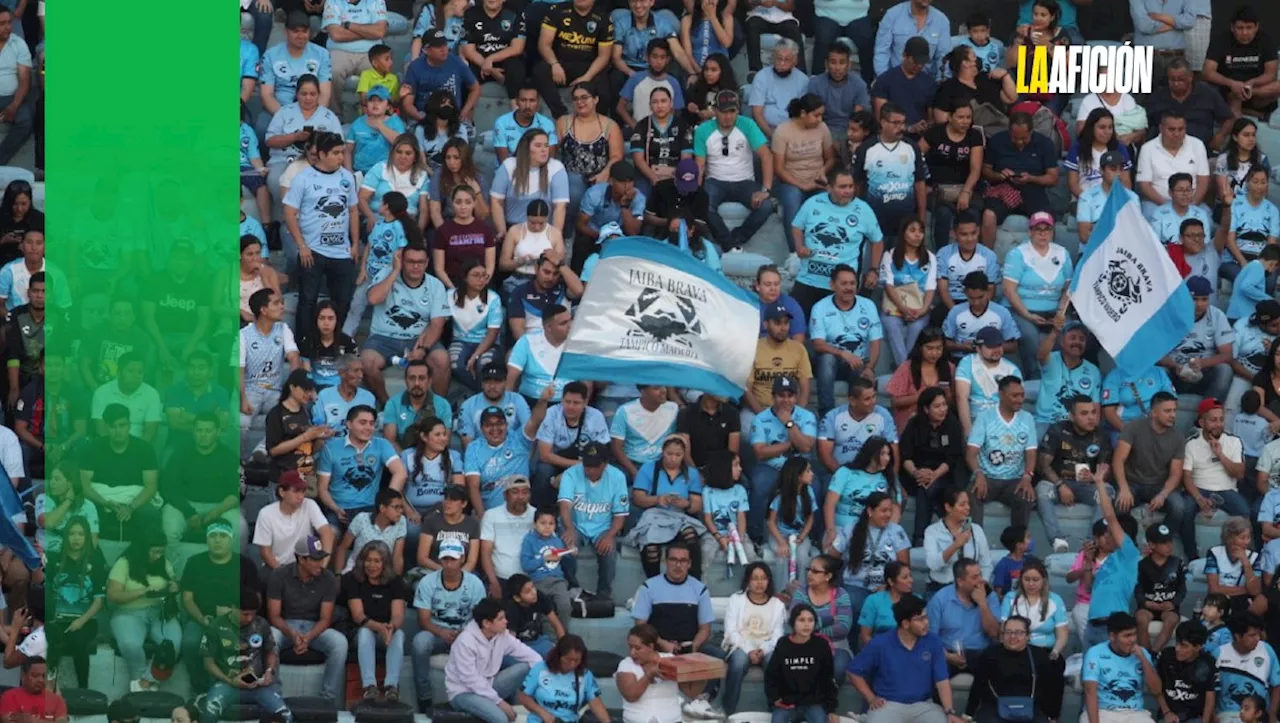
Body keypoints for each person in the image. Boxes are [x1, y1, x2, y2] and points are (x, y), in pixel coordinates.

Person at [282, 132, 359, 344]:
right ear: (322, 154)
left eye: (342, 152)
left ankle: (333, 344)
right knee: (307, 300)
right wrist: (301, 246)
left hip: (341, 250)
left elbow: (353, 211)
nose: (340, 157)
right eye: (335, 153)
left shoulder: (346, 177)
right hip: (312, 251)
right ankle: (304, 344)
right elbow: (289, 212)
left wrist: (354, 243)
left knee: (342, 300)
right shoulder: (303, 178)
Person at [848, 594, 967, 723]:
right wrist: (871, 698)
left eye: (926, 617)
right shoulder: (880, 643)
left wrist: (949, 711)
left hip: (924, 705)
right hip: (888, 705)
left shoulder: (933, 641)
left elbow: (942, 681)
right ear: (905, 623)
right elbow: (853, 672)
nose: (926, 622)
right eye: (920, 619)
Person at [180, 520, 260, 693]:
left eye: (222, 536)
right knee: (191, 642)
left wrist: (233, 613)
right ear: (206, 540)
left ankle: (240, 687)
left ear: (231, 540)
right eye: (212, 536)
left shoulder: (245, 564)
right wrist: (202, 619)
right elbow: (187, 599)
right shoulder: (194, 563)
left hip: (237, 621)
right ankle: (199, 689)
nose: (217, 540)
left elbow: (256, 600)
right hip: (203, 619)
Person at [266, 535, 347, 702]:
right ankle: (274, 694)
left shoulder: (328, 578)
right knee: (271, 637)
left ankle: (328, 699)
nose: (321, 564)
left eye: (321, 558)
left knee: (340, 643)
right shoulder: (280, 575)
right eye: (315, 559)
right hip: (285, 625)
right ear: (301, 559)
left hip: (315, 627)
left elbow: (325, 619)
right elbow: (274, 616)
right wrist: (292, 634)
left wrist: (307, 638)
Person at [411, 537, 488, 711]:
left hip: (467, 634)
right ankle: (424, 697)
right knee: (420, 641)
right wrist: (441, 632)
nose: (449, 564)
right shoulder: (428, 582)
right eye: (445, 559)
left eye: (453, 559)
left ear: (462, 559)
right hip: (437, 633)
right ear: (440, 559)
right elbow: (423, 620)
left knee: (484, 640)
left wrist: (465, 634)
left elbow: (481, 618)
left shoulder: (475, 584)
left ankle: (478, 696)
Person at [694, 90, 776, 252]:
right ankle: (730, 244)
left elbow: (766, 156)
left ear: (738, 110)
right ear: (715, 110)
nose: (728, 116)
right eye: (724, 111)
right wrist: (697, 191)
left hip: (744, 181)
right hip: (715, 181)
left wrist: (765, 189)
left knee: (766, 205)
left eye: (732, 111)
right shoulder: (703, 130)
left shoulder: (747, 124)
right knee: (703, 205)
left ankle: (736, 238)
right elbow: (700, 165)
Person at [445, 598, 545, 723]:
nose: (506, 621)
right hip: (464, 692)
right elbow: (470, 680)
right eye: (501, 619)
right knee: (501, 719)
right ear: (487, 623)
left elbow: (530, 655)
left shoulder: (502, 635)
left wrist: (546, 679)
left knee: (528, 666)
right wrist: (499, 702)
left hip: (490, 686)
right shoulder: (465, 642)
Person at [198, 588, 290, 723]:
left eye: (253, 614)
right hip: (227, 684)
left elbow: (271, 651)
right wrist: (230, 681)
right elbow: (208, 663)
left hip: (257, 685)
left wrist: (270, 671)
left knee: (285, 715)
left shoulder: (261, 624)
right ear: (233, 608)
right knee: (209, 712)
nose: (250, 618)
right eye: (245, 614)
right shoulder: (216, 626)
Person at [1035, 396, 1114, 553]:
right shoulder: (1058, 430)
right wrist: (1060, 485)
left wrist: (1095, 478)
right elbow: (1042, 464)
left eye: (1093, 412)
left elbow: (1105, 470)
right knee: (1042, 490)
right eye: (1084, 413)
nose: (1091, 417)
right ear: (1072, 416)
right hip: (1059, 483)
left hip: (1087, 486)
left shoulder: (1101, 435)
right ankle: (1057, 539)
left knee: (1108, 491)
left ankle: (1091, 543)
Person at [106, 531, 182, 693]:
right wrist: (142, 592)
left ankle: (144, 682)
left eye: (161, 552)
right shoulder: (124, 563)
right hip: (129, 612)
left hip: (160, 612)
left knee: (172, 645)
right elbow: (113, 595)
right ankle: (140, 681)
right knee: (130, 644)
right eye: (154, 551)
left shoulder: (164, 562)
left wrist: (174, 587)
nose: (158, 555)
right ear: (143, 548)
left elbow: (173, 581)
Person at [556, 84, 626, 251]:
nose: (580, 102)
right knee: (573, 188)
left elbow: (617, 156)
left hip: (601, 175)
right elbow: (552, 152)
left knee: (601, 192)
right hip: (571, 175)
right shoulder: (564, 122)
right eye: (576, 99)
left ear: (595, 99)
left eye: (584, 97)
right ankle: (566, 237)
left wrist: (605, 172)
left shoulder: (609, 125)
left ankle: (602, 239)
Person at [748, 376, 817, 543]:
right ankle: (757, 537)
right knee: (759, 485)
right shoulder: (760, 418)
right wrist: (791, 443)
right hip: (771, 466)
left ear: (796, 396)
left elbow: (807, 447)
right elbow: (760, 452)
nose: (786, 400)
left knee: (817, 487)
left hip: (800, 468)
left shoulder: (806, 416)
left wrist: (789, 424)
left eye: (790, 395)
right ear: (773, 397)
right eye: (781, 395)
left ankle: (815, 538)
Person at [557, 443, 630, 600]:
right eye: (587, 465)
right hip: (575, 524)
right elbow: (565, 507)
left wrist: (610, 536)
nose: (589, 469)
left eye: (594, 466)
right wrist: (569, 529)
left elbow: (620, 514)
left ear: (604, 464)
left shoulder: (617, 477)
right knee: (566, 547)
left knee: (609, 552)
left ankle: (603, 596)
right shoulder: (571, 474)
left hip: (603, 527)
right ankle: (573, 590)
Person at [808, 266, 882, 416]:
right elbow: (817, 343)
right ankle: (826, 415)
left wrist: (870, 367)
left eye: (852, 283)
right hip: (829, 363)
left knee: (860, 369)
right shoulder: (820, 307)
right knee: (827, 359)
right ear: (832, 285)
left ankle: (857, 416)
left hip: (858, 362)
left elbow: (875, 341)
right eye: (844, 284)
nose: (849, 288)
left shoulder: (868, 306)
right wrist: (843, 354)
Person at [978, 113, 1060, 247]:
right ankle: (989, 261)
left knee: (1046, 220)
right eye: (1015, 138)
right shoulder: (997, 141)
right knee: (988, 216)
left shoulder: (1044, 143)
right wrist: (999, 175)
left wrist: (1031, 178)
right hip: (1003, 190)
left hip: (1033, 191)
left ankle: (1046, 261)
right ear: (1009, 131)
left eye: (1024, 138)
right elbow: (986, 170)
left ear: (1031, 132)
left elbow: (1053, 178)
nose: (1020, 142)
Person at [854, 103, 926, 251]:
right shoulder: (867, 149)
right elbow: (857, 184)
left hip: (905, 222)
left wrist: (922, 216)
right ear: (883, 122)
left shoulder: (912, 147)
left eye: (903, 123)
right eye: (896, 123)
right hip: (874, 221)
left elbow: (920, 183)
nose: (901, 127)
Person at [899, 388, 964, 545]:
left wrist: (933, 475)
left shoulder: (952, 423)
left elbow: (952, 458)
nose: (943, 409)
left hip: (943, 474)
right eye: (937, 406)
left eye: (944, 405)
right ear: (926, 409)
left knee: (928, 488)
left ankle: (919, 537)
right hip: (915, 473)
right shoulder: (914, 424)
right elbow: (905, 456)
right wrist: (916, 473)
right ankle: (938, 532)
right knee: (926, 487)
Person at [773, 94, 834, 255]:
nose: (819, 119)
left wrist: (822, 171)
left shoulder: (822, 128)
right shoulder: (783, 131)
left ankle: (824, 251)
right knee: (792, 204)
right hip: (791, 180)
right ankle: (795, 252)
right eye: (816, 115)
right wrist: (802, 185)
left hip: (817, 179)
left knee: (827, 203)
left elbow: (830, 159)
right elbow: (779, 169)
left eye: (821, 115)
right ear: (802, 113)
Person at [721, 562, 786, 714]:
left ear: (769, 580)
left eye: (763, 578)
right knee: (738, 662)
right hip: (740, 645)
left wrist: (763, 650)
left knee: (773, 663)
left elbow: (778, 635)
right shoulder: (736, 600)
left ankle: (775, 711)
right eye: (755, 578)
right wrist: (749, 650)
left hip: (767, 647)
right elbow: (731, 631)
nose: (759, 582)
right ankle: (728, 711)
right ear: (748, 580)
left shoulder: (777, 604)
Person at [965, 616, 1057, 723]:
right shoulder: (990, 654)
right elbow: (978, 686)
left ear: (1028, 636)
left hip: (1031, 709)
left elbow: (1049, 689)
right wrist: (968, 714)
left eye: (1018, 632)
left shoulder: (1039, 656)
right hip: (994, 707)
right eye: (1008, 632)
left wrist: (1052, 716)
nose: (1012, 636)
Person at [920, 100, 985, 249]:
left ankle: (973, 254)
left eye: (968, 118)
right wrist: (925, 184)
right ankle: (941, 254)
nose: (965, 122)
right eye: (960, 117)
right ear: (950, 117)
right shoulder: (935, 133)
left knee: (973, 212)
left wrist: (966, 192)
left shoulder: (974, 135)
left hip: (966, 187)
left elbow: (976, 169)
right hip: (938, 188)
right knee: (943, 213)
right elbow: (915, 158)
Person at [534, 0, 614, 119]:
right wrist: (554, 64)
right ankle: (560, 114)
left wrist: (587, 77)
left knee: (603, 84)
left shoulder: (603, 17)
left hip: (587, 66)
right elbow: (543, 44)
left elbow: (604, 56)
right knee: (540, 69)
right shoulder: (557, 10)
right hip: (560, 64)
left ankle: (597, 122)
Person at [616, 623, 709, 723]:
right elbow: (631, 696)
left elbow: (691, 693)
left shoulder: (671, 660)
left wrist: (704, 673)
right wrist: (648, 676)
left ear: (651, 646)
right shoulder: (626, 664)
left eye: (637, 648)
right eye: (630, 647)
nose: (632, 653)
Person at [1082, 613, 1163, 723]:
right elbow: (1090, 691)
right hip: (1103, 711)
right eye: (1127, 635)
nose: (1133, 639)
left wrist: (1143, 659)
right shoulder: (1095, 653)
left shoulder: (1142, 653)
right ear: (1112, 637)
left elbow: (1157, 690)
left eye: (1134, 634)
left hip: (1135, 713)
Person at [1202, 7, 1280, 118]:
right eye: (1240, 28)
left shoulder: (1266, 40)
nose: (1244, 32)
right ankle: (1241, 119)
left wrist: (1252, 84)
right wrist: (1231, 84)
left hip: (1256, 92)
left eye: (1249, 28)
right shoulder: (1220, 40)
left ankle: (1247, 108)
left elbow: (1271, 74)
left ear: (1256, 27)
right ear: (1232, 27)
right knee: (1231, 97)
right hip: (1228, 91)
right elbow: (1207, 72)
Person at [766, 603, 838, 723]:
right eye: (801, 620)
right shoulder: (783, 644)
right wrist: (774, 698)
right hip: (787, 702)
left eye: (810, 620)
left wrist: (831, 709)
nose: (806, 625)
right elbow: (771, 675)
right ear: (793, 623)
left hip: (814, 703)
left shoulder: (821, 645)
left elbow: (828, 679)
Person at [491, 131, 570, 238]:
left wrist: (555, 239)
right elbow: (496, 201)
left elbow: (560, 207)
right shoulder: (509, 165)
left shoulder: (556, 168)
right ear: (526, 148)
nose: (544, 150)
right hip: (513, 231)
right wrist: (503, 232)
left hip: (544, 232)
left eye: (546, 146)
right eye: (538, 146)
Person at [516, 635, 610, 723]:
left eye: (577, 660)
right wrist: (542, 713)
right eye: (568, 659)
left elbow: (595, 703)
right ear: (559, 656)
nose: (572, 664)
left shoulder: (585, 675)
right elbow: (524, 696)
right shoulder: (540, 668)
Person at [253, 471, 334, 570]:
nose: (301, 496)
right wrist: (284, 575)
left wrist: (321, 567)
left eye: (303, 491)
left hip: (306, 566)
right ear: (282, 492)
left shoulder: (309, 504)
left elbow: (327, 533)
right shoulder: (266, 513)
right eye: (296, 491)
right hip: (277, 568)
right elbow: (265, 552)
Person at [790, 554, 853, 674]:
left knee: (838, 668)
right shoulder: (801, 593)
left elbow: (843, 628)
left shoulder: (841, 594)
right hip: (805, 644)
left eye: (815, 571)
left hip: (836, 645)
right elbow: (795, 624)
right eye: (809, 570)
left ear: (828, 576)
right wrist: (829, 619)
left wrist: (811, 628)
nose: (809, 574)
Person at [1222, 168, 1280, 290]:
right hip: (1234, 261)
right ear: (1247, 182)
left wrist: (1258, 265)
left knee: (1269, 282)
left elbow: (1271, 243)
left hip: (1262, 261)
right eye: (1255, 181)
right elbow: (1229, 240)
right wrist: (1244, 263)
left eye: (1263, 182)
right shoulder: (1235, 205)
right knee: (1244, 279)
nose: (1259, 186)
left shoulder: (1272, 210)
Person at [924, 488, 993, 590]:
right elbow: (933, 564)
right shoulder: (932, 531)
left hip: (971, 587)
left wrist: (982, 582)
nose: (968, 508)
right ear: (948, 507)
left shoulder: (976, 530)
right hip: (942, 586)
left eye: (968, 504)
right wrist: (956, 545)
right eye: (962, 504)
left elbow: (986, 564)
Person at [1155, 621, 1217, 723]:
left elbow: (1209, 700)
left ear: (1198, 647)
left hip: (1195, 717)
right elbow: (1156, 688)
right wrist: (1167, 712)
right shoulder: (1166, 656)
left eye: (1184, 645)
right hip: (1167, 715)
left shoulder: (1208, 662)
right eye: (1177, 643)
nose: (1178, 649)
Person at [749, 40, 809, 139]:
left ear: (795, 61)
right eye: (779, 59)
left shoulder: (803, 80)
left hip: (793, 132)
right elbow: (757, 113)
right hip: (765, 130)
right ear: (773, 58)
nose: (782, 63)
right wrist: (771, 134)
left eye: (787, 60)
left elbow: (803, 115)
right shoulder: (761, 77)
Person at [873, 0, 951, 77]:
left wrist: (941, 84)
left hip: (927, 83)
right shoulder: (892, 15)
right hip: (896, 80)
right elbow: (882, 51)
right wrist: (884, 81)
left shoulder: (942, 21)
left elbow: (943, 57)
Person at [808, 45, 869, 142]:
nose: (837, 67)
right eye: (833, 62)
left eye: (842, 63)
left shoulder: (859, 84)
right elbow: (814, 116)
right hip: (822, 128)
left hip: (850, 129)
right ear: (826, 64)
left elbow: (859, 117)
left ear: (849, 65)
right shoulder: (815, 84)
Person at [0, 658, 65, 723]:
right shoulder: (9, 696)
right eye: (35, 675)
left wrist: (33, 721)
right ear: (23, 675)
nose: (41, 680)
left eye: (44, 676)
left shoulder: (57, 700)